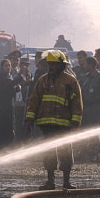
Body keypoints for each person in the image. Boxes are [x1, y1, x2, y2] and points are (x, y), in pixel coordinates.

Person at [25, 50, 83, 190]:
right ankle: (50, 181)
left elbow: (77, 103)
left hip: (64, 125)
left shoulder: (70, 81)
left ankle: (66, 181)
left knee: (66, 153)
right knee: (49, 152)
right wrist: (29, 119)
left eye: (54, 64)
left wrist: (75, 123)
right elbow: (34, 100)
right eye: (50, 64)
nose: (51, 67)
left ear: (61, 65)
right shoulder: (43, 80)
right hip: (47, 124)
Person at [0, 59, 25, 153]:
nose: (8, 67)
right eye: (6, 65)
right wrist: (21, 76)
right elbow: (9, 85)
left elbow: (9, 91)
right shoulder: (1, 76)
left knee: (7, 127)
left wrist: (16, 89)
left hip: (7, 105)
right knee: (0, 127)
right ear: (2, 67)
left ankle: (6, 147)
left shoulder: (9, 76)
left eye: (9, 65)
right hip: (0, 107)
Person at [77, 56, 100, 161]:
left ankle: (94, 152)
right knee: (84, 129)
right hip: (85, 107)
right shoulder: (85, 77)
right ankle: (83, 151)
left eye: (86, 64)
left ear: (92, 65)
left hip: (95, 107)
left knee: (94, 129)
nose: (85, 66)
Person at [13, 57, 33, 145]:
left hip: (27, 102)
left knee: (26, 122)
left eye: (27, 65)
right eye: (23, 65)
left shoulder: (30, 75)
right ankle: (18, 140)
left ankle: (25, 139)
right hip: (19, 103)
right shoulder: (17, 76)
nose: (25, 67)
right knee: (18, 122)